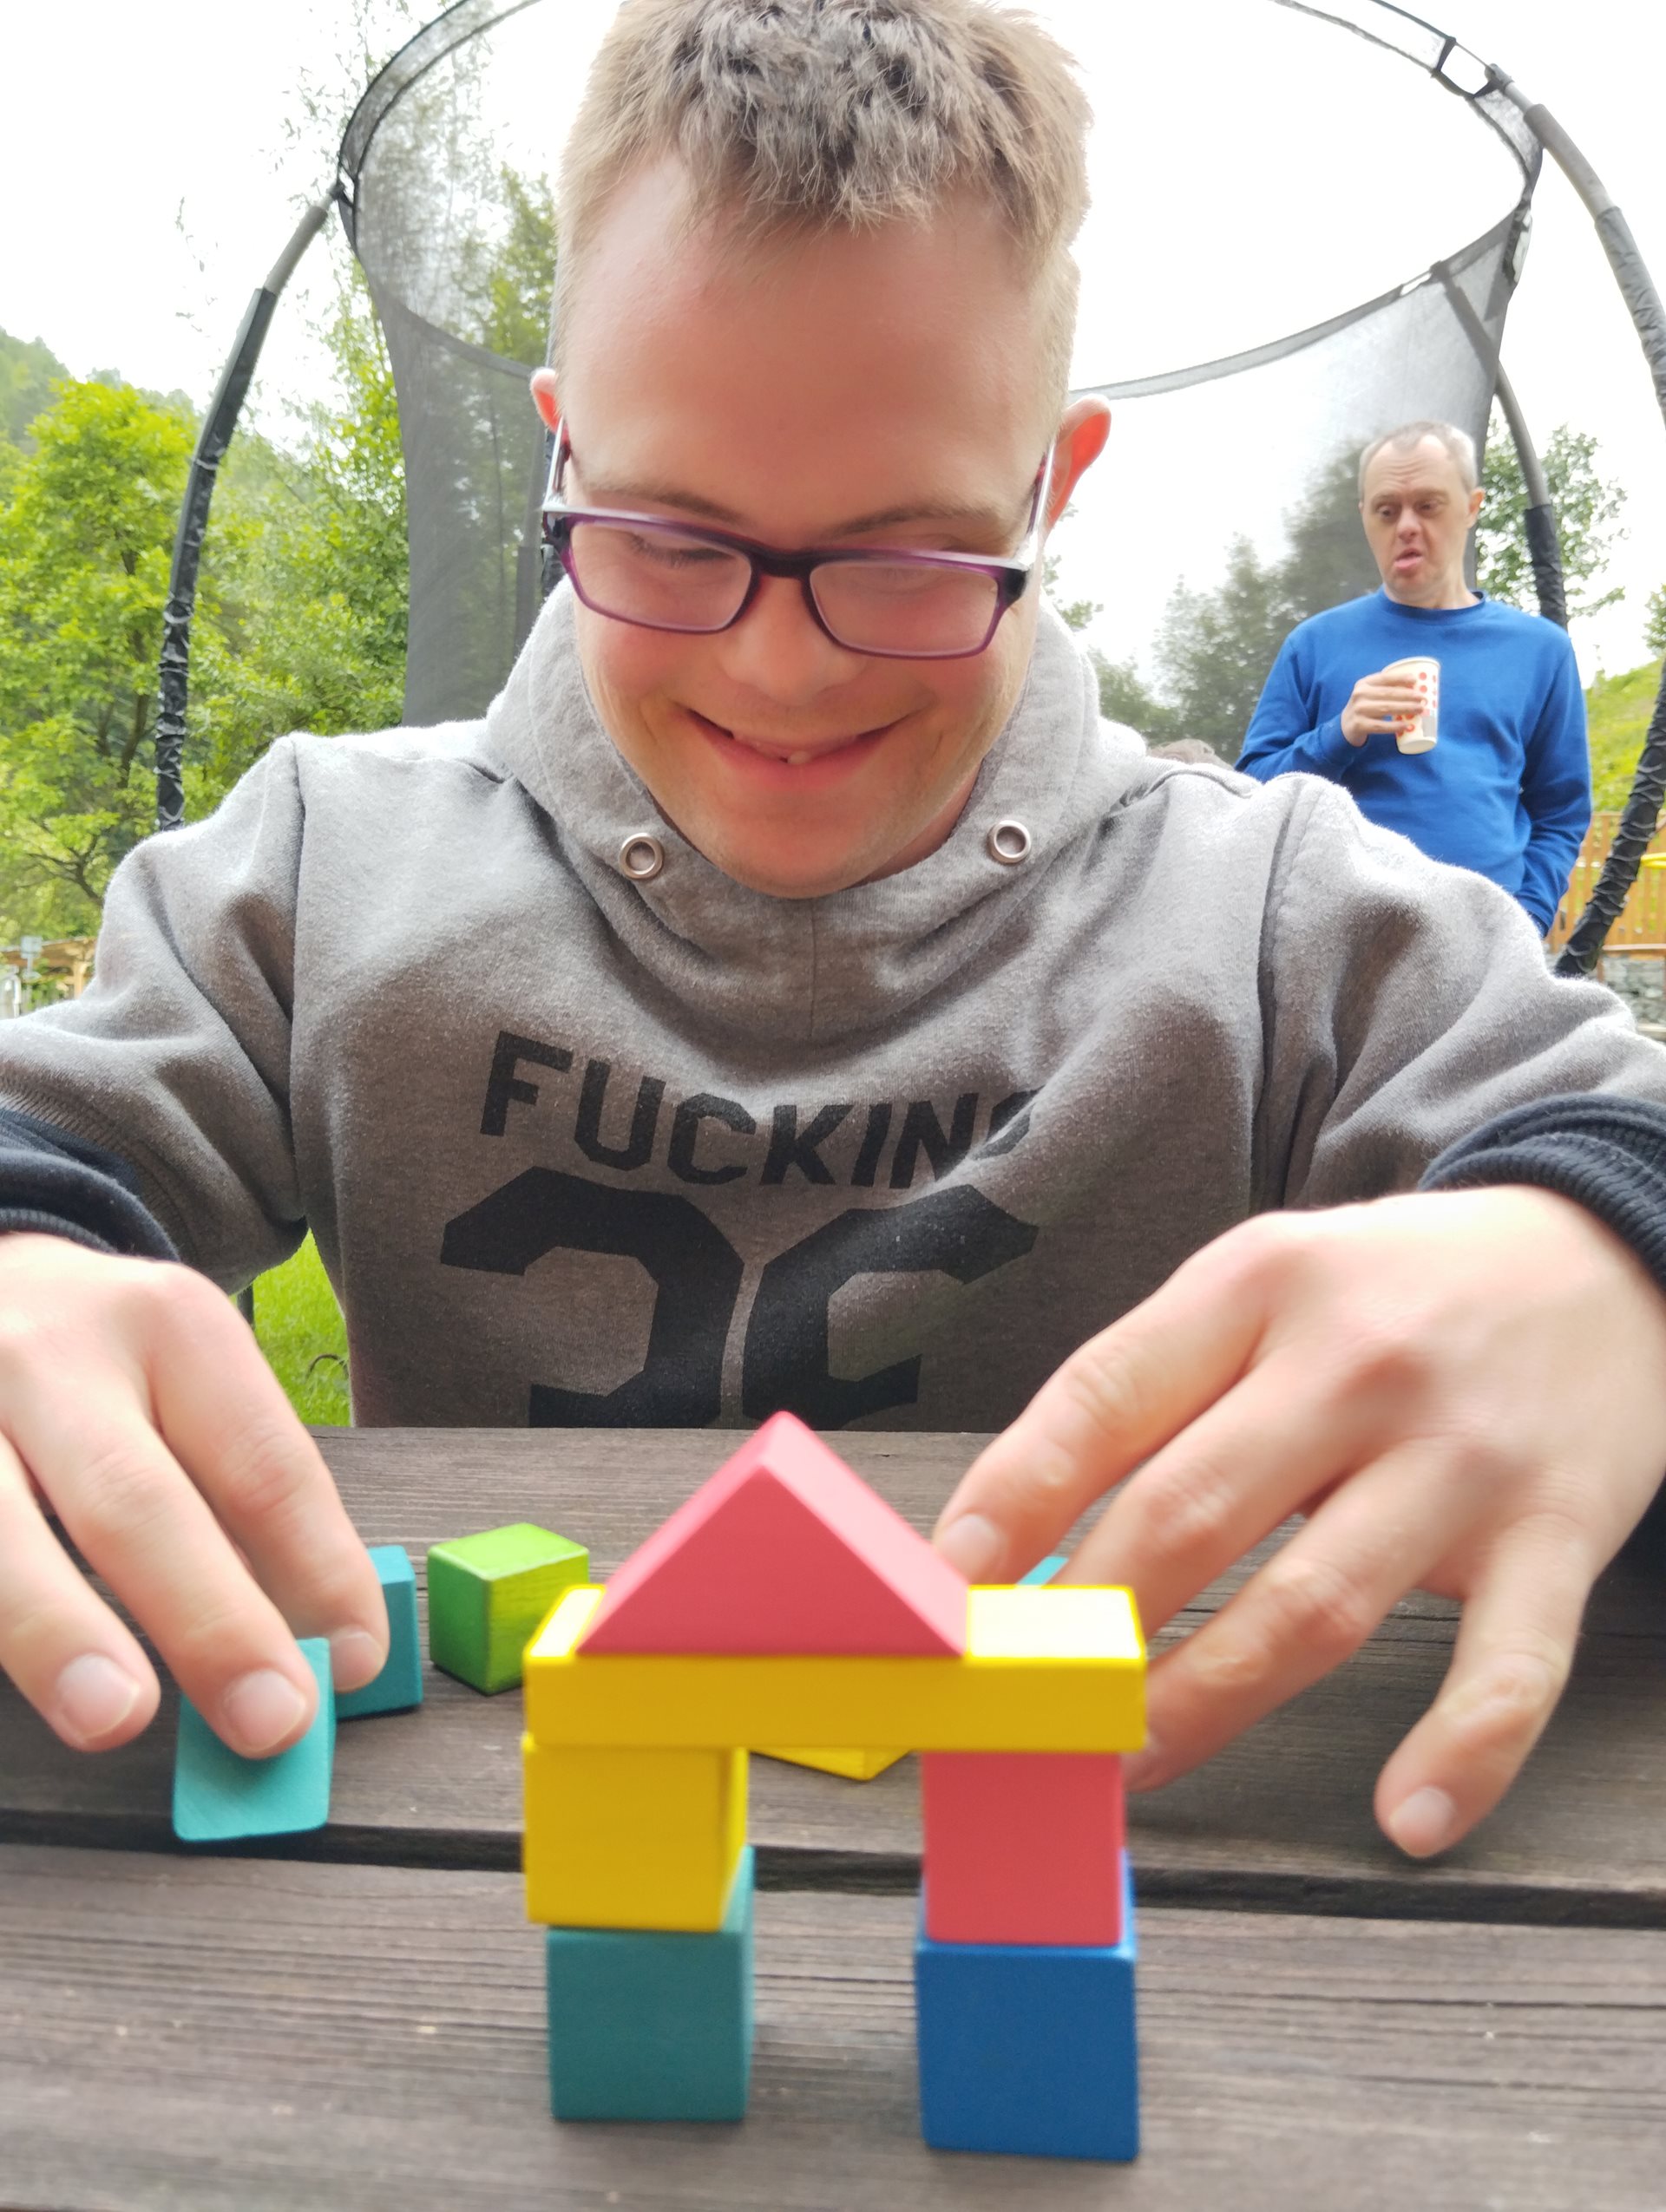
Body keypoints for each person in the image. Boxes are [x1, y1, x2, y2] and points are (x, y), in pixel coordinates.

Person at [3, 0, 1666, 1871]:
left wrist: (1615, 1267)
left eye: (907, 556)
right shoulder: (322, 866)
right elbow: (50, 1139)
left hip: (1111, 1880)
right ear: (563, 457)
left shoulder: (1275, 918)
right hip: (486, 1888)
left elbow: (1618, 1137)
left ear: (1053, 489)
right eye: (667, 537)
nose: (780, 668)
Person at [1236, 420, 1591, 934]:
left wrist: (1526, 921)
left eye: (1428, 505)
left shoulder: (1540, 651)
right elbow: (1249, 794)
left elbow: (1561, 811)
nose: (1405, 525)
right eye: (1387, 510)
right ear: (1365, 517)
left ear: (1471, 507)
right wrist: (1337, 736)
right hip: (1334, 940)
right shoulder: (1313, 645)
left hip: (1484, 941)